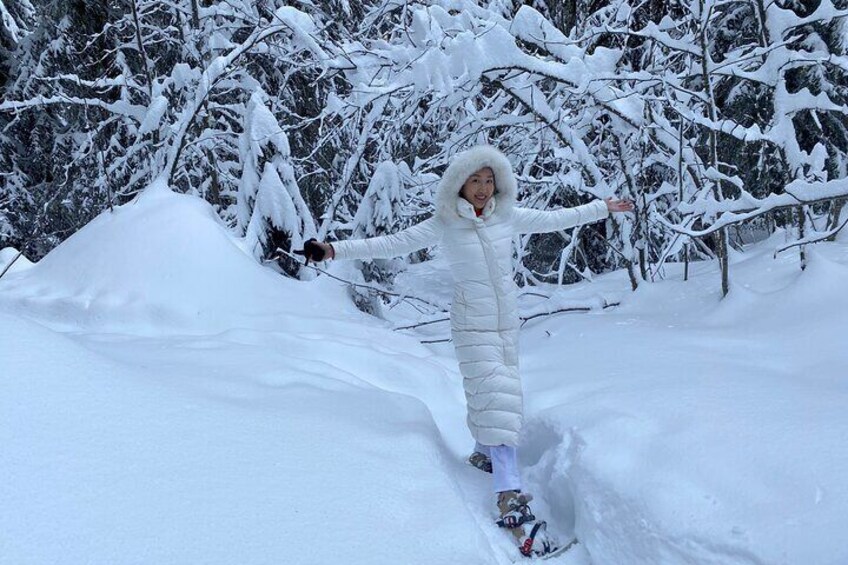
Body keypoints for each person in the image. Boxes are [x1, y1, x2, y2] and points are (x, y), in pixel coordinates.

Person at [300, 145, 633, 557]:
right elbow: (392, 243)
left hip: (505, 321)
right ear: (459, 184)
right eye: (474, 180)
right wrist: (334, 249)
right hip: (470, 321)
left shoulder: (506, 214)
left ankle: (483, 454)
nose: (482, 188)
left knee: (495, 392)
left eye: (488, 180)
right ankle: (508, 494)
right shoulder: (445, 222)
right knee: (500, 395)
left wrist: (601, 207)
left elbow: (553, 220)